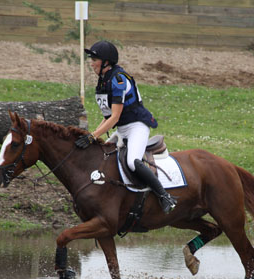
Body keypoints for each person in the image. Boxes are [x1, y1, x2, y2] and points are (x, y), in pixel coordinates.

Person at [75, 40, 177, 214]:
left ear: (106, 61)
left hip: (137, 126)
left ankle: (165, 196)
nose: (91, 62)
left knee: (132, 161)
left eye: (94, 59)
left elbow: (114, 117)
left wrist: (92, 136)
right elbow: (107, 117)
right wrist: (93, 135)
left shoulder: (118, 80)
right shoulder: (103, 81)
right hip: (122, 129)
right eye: (91, 59)